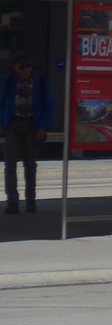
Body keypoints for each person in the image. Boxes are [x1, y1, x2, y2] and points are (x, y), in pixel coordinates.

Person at [0, 53, 54, 214]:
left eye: (28, 66)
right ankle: (12, 202)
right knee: (10, 164)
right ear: (15, 68)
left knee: (30, 165)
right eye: (22, 67)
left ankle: (31, 200)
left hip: (32, 126)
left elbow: (48, 106)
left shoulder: (41, 82)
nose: (25, 70)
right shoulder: (9, 81)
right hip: (13, 125)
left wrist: (43, 127)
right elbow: (2, 102)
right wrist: (1, 123)